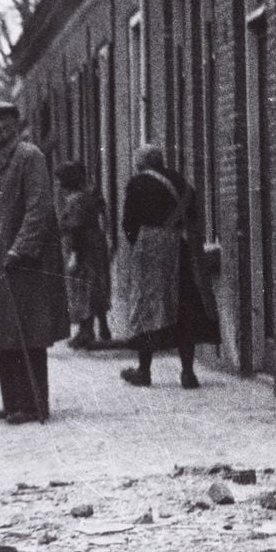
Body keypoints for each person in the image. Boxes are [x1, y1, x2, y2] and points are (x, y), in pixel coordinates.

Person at [0, 100, 69, 425]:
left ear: (15, 122)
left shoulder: (29, 156)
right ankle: (11, 401)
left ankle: (33, 403)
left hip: (22, 258)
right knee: (1, 330)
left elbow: (39, 208)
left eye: (0, 120)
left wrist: (21, 248)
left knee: (27, 330)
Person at [120, 145, 220, 389]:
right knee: (185, 308)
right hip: (180, 250)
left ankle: (144, 371)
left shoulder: (137, 183)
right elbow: (193, 217)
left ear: (141, 163)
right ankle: (188, 373)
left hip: (150, 252)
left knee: (146, 307)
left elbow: (128, 223)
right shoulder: (181, 182)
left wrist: (143, 243)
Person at [56, 162, 113, 348]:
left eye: (61, 180)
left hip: (83, 248)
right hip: (96, 244)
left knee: (82, 288)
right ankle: (102, 327)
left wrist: (75, 254)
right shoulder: (89, 194)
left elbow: (76, 229)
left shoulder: (75, 200)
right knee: (96, 286)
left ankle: (86, 332)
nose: (58, 184)